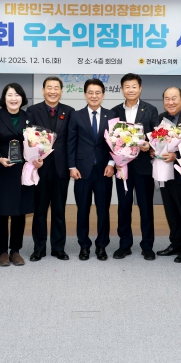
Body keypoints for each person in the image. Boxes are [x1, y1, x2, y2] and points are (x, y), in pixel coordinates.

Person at [0, 83, 42, 266]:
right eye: (10, 95)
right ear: (4, 98)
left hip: (22, 171)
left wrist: (38, 159)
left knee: (19, 212)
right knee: (1, 213)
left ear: (22, 98)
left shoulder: (29, 117)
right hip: (1, 169)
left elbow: (35, 143)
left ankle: (15, 250)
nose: (13, 98)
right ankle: (2, 251)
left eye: (17, 95)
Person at [109, 73, 159, 260]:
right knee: (124, 207)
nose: (130, 90)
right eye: (127, 87)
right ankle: (125, 244)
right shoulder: (114, 112)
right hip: (122, 168)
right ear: (122, 89)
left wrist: (149, 145)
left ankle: (147, 245)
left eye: (134, 86)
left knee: (146, 207)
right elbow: (110, 141)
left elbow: (156, 137)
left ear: (140, 88)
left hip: (143, 167)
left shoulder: (150, 109)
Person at [67, 78, 117, 261]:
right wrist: (72, 166)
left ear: (103, 95)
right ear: (85, 94)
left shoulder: (111, 115)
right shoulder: (76, 115)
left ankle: (102, 245)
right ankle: (84, 245)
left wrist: (111, 164)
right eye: (90, 92)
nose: (94, 96)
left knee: (103, 211)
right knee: (82, 210)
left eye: (97, 92)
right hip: (82, 171)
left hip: (104, 170)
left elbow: (116, 143)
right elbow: (70, 143)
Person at [28, 76, 74, 261]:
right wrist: (33, 159)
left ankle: (58, 248)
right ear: (43, 90)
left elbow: (71, 141)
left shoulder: (69, 111)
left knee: (59, 210)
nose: (52, 91)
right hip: (40, 168)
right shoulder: (32, 111)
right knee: (39, 210)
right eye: (49, 87)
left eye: (56, 88)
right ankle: (39, 248)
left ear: (61, 91)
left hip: (61, 169)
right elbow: (28, 139)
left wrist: (72, 166)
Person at [155, 86, 181, 262]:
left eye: (174, 98)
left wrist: (176, 155)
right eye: (167, 98)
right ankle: (175, 243)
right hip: (164, 172)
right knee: (171, 210)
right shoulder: (160, 118)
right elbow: (158, 142)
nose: (170, 102)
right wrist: (153, 150)